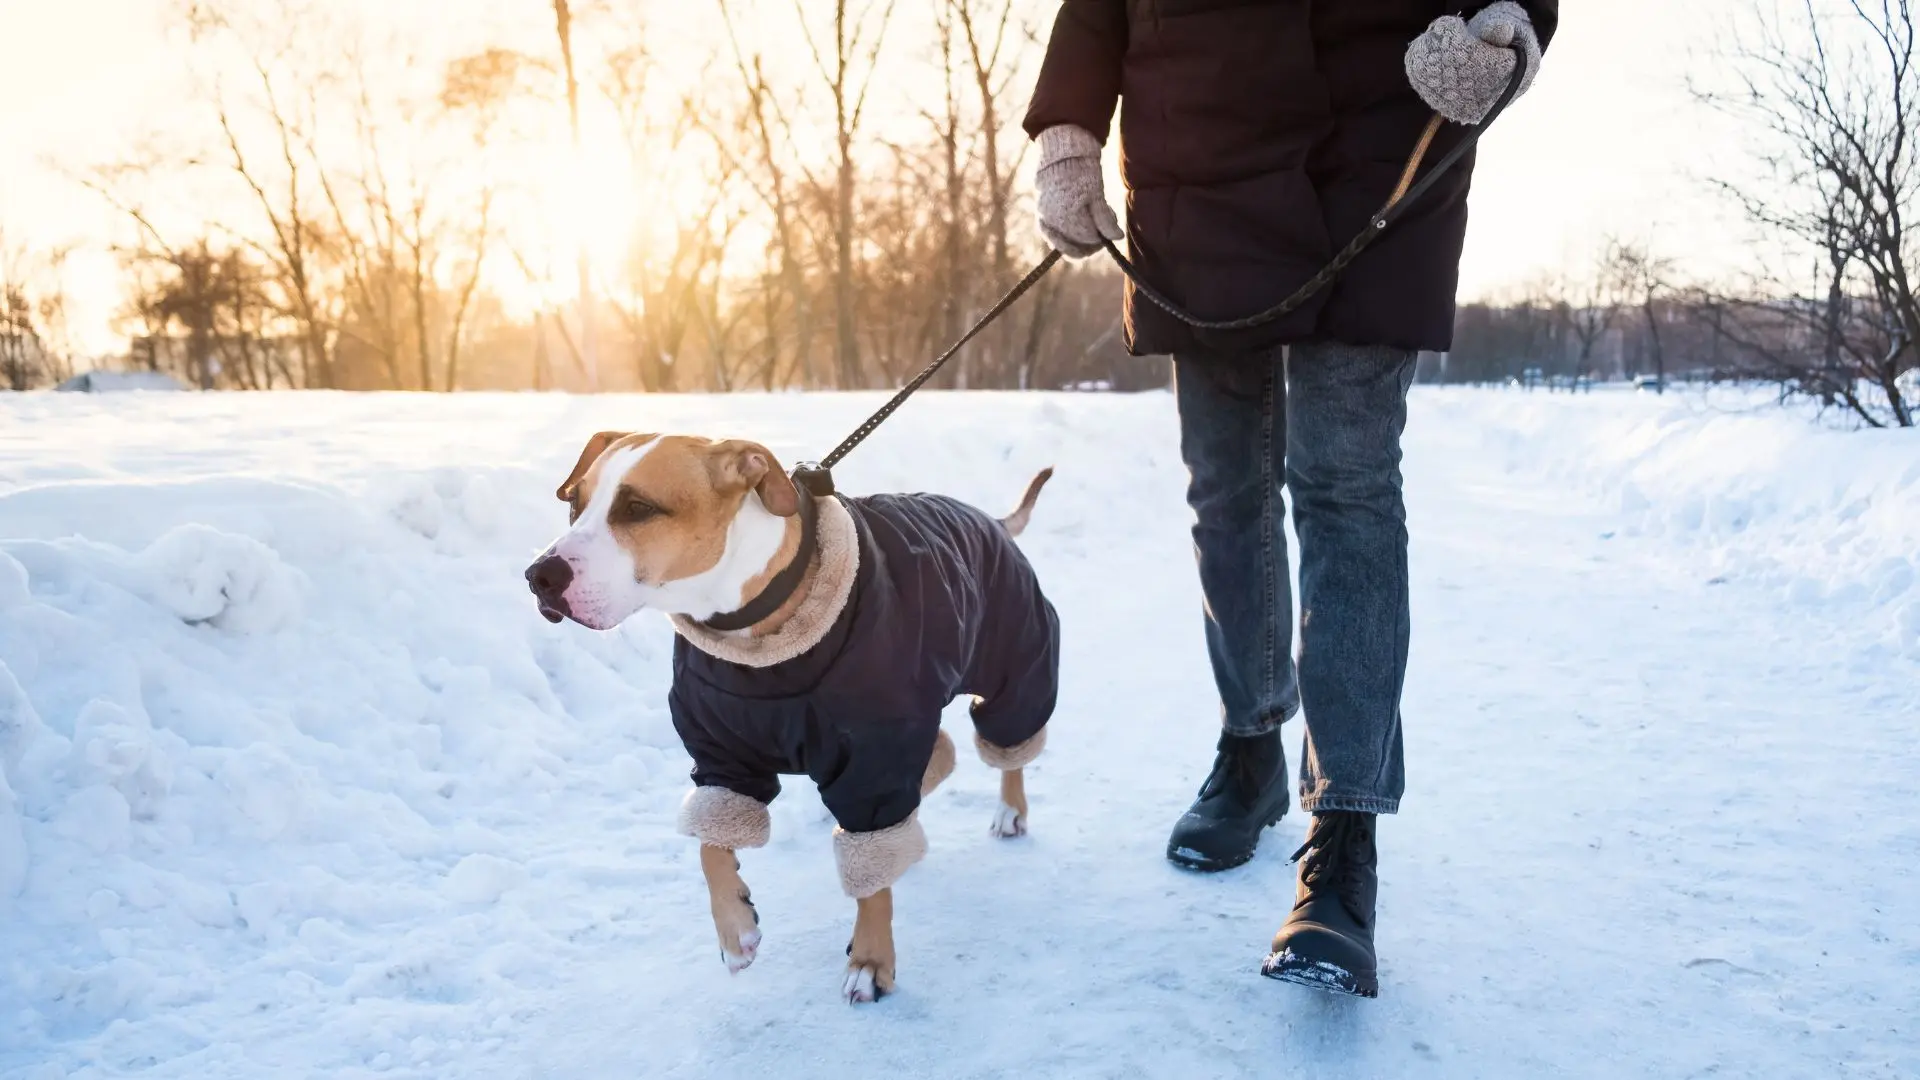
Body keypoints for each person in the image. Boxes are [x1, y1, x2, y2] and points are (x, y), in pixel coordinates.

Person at [1023, 1, 1558, 998]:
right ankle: (1251, 743)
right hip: (1197, 148)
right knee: (1225, 487)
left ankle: (1344, 838)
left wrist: (1509, 21)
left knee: (1347, 488)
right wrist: (1068, 133)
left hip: (1379, 138)